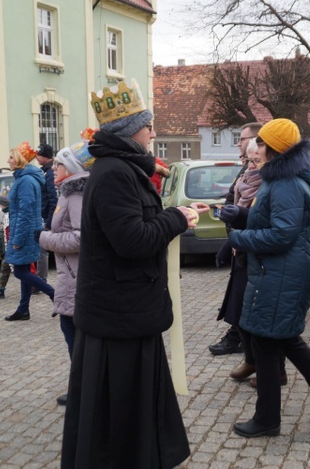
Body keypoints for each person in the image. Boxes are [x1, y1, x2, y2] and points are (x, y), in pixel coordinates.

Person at [61, 80, 206, 468]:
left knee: (129, 411)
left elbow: (133, 228)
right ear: (130, 132)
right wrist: (176, 217)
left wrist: (176, 216)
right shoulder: (114, 174)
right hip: (119, 314)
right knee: (118, 415)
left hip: (125, 312)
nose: (154, 132)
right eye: (149, 126)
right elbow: (132, 241)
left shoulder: (120, 169)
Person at [227, 118, 310, 438]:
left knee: (267, 342)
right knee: (285, 339)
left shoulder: (286, 184)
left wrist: (239, 239)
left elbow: (282, 235)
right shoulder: (279, 178)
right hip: (279, 272)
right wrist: (237, 215)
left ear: (275, 148)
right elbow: (270, 219)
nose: (257, 147)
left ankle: (267, 419)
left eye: (262, 143)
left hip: (283, 273)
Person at [220, 140, 287, 387]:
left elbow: (277, 228)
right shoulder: (247, 179)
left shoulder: (279, 184)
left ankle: (275, 373)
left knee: (275, 328)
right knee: (241, 311)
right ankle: (253, 360)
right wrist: (230, 240)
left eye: (255, 158)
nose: (251, 164)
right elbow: (243, 212)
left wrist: (239, 229)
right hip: (246, 252)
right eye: (249, 160)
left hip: (264, 259)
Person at [37, 139, 94, 406]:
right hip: (70, 275)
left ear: (71, 166)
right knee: (73, 334)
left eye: (59, 163)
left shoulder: (76, 194)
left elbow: (83, 237)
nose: (54, 167)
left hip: (76, 277)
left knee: (76, 337)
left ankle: (85, 392)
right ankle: (83, 388)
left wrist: (45, 239)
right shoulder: (67, 191)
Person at [209, 122, 262, 356]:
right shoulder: (247, 172)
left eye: (241, 138)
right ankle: (246, 350)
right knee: (240, 295)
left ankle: (243, 346)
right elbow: (235, 198)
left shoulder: (271, 183)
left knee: (246, 298)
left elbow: (264, 221)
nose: (238, 143)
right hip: (239, 240)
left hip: (251, 247)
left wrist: (238, 224)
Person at [3, 142, 56, 321]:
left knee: (20, 272)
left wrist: (17, 239)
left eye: (11, 157)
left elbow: (25, 212)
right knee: (23, 269)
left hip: (24, 232)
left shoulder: (25, 180)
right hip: (26, 230)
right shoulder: (24, 178)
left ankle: (54, 294)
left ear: (19, 160)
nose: (8, 160)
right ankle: (23, 309)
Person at [34, 143, 58, 290]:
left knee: (42, 250)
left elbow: (53, 199)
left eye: (38, 155)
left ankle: (41, 282)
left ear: (45, 156)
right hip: (44, 216)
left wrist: (49, 222)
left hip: (46, 218)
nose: (36, 157)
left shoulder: (49, 173)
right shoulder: (45, 171)